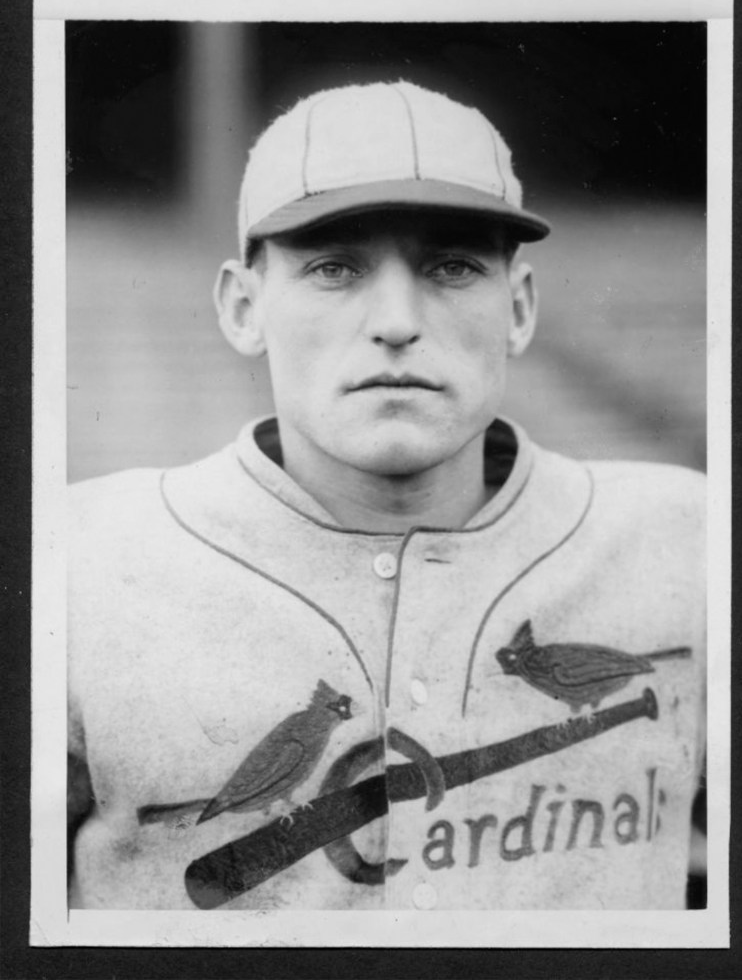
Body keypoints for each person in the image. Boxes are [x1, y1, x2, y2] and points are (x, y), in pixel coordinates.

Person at [67, 80, 706, 911]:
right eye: (333, 267)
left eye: (452, 266)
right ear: (243, 308)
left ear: (518, 308)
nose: (397, 320)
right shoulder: (73, 561)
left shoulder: (691, 542)